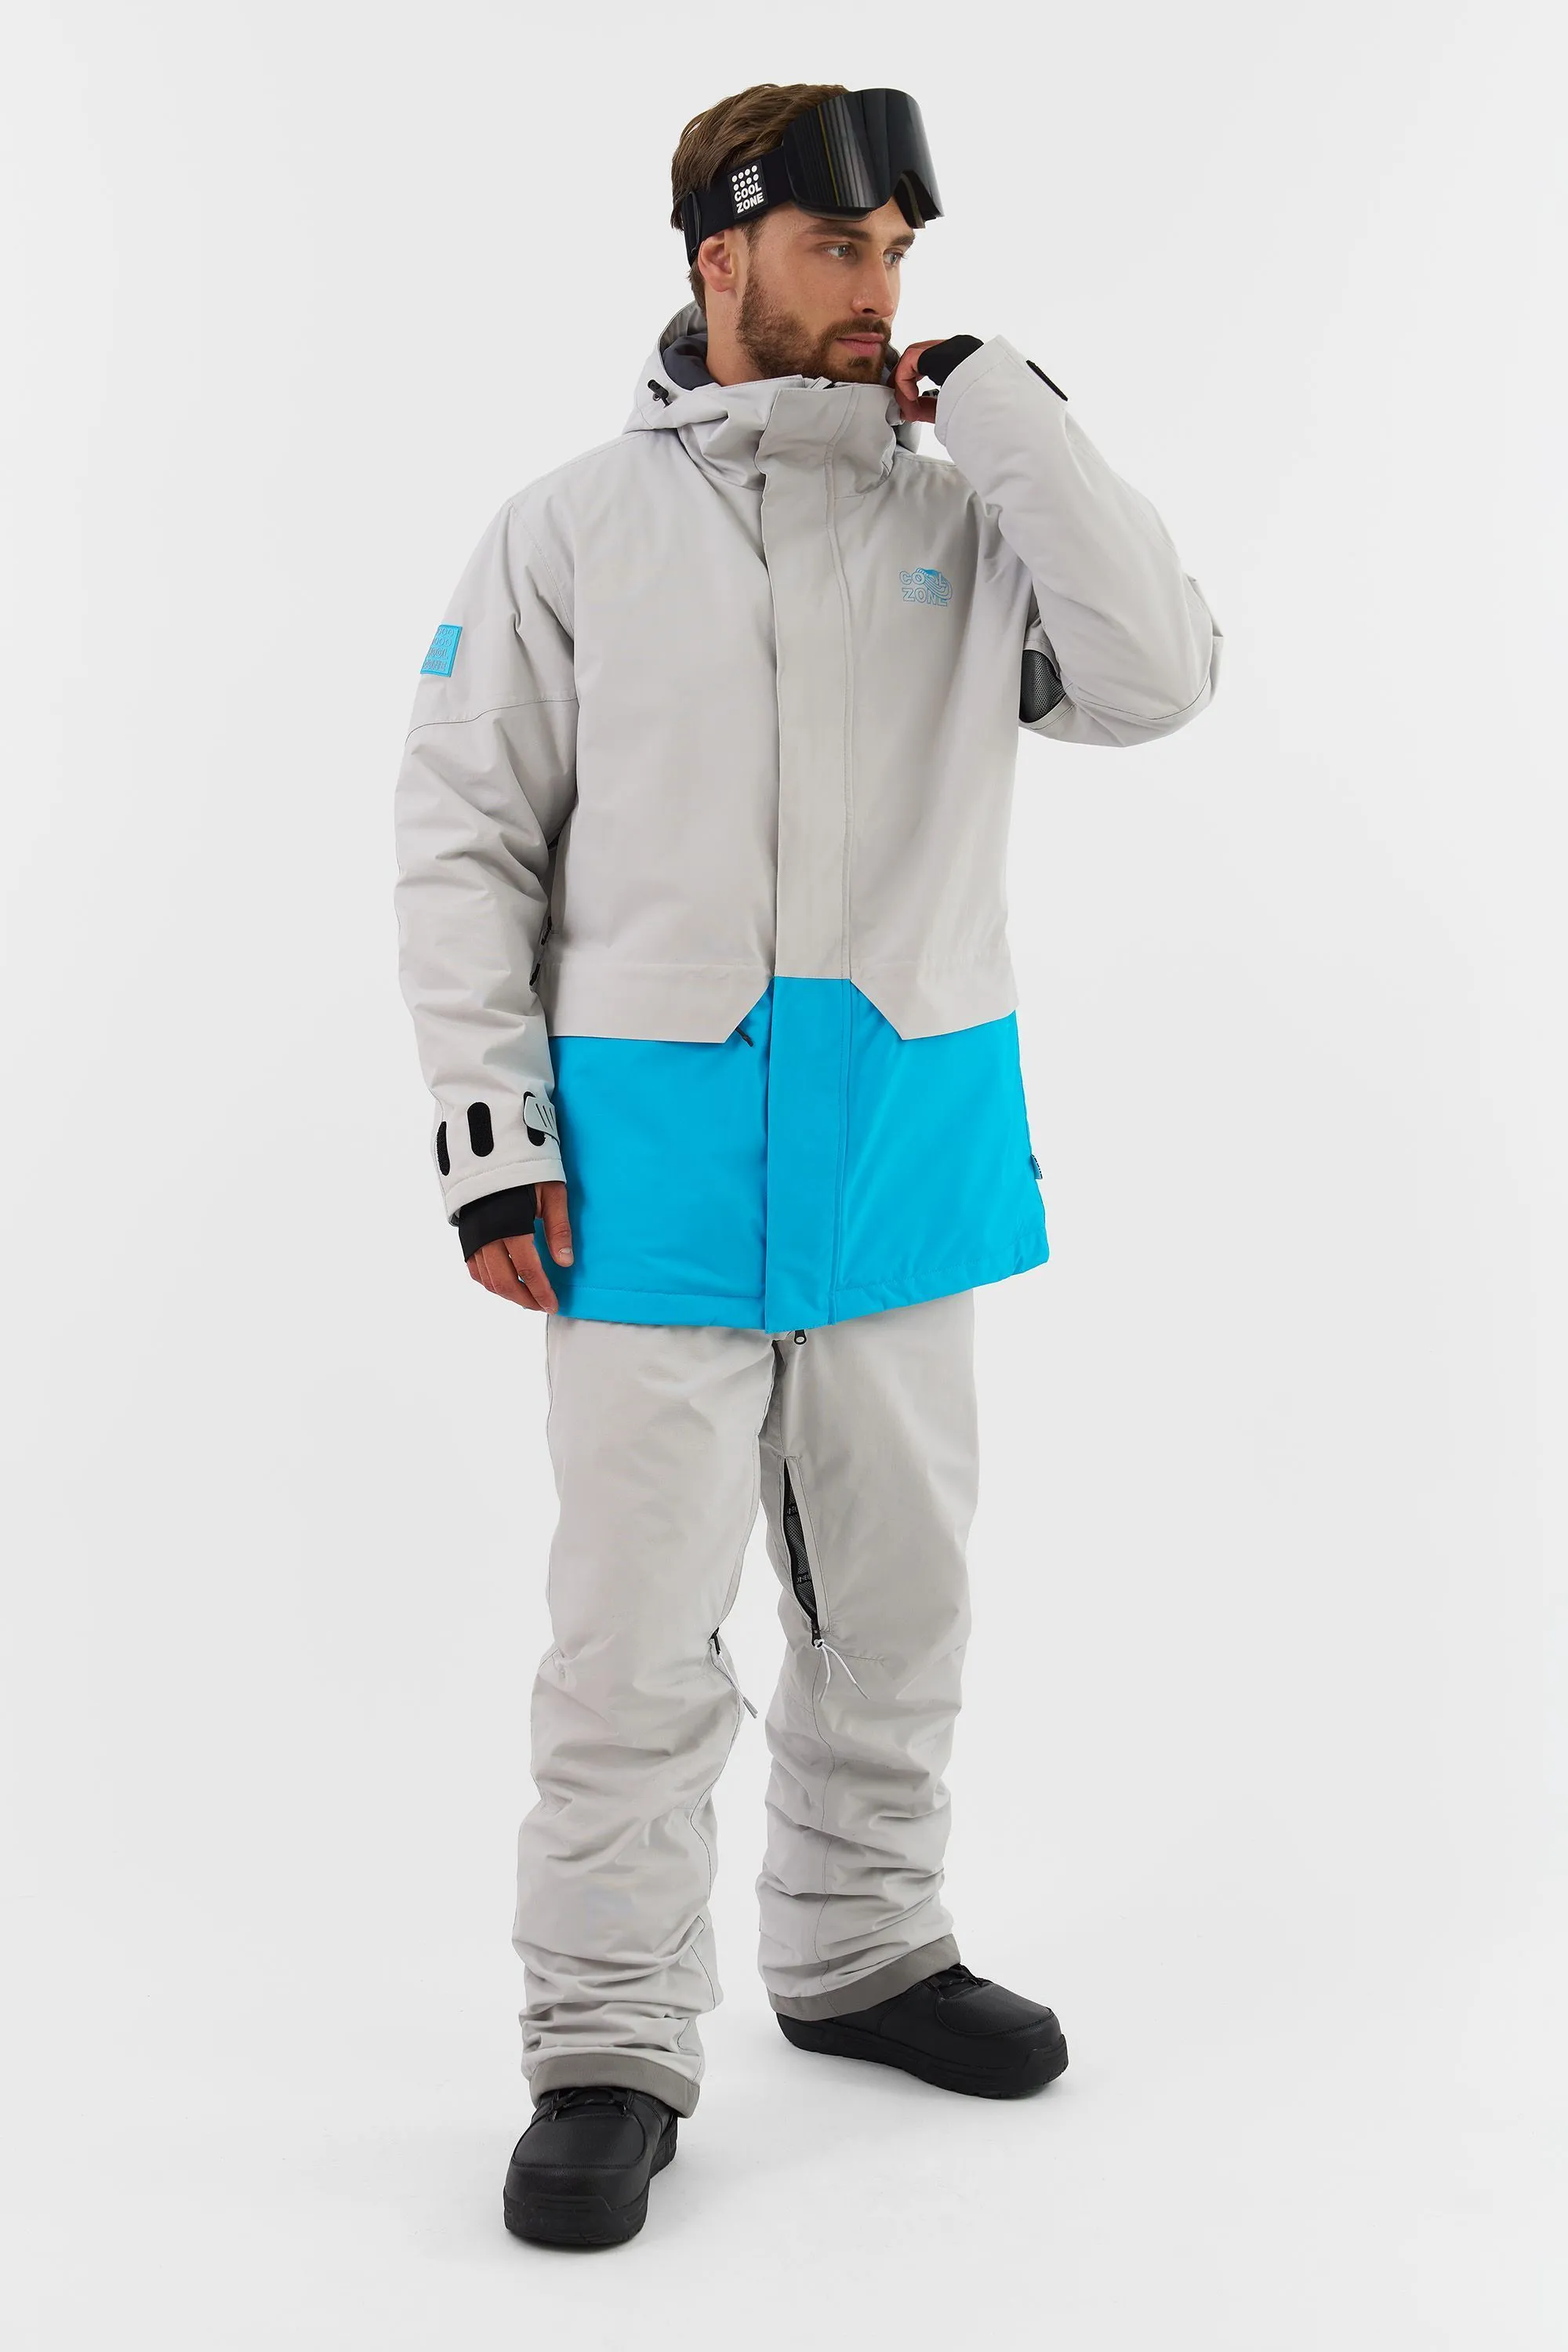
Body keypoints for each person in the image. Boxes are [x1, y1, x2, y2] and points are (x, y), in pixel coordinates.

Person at [393, 80, 1221, 2249]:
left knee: (898, 1597)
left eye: (900, 255)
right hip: (646, 1170)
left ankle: (862, 1952)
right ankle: (604, 2042)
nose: (876, 290)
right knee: (634, 1640)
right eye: (838, 247)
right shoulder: (572, 529)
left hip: (901, 1153)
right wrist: (490, 1139)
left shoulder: (969, 517)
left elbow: (1159, 677)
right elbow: (466, 833)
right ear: (720, 256)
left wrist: (1013, 413)